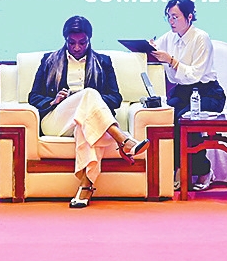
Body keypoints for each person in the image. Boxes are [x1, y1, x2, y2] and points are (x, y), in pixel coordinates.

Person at [28, 16, 148, 208]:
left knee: (88, 115)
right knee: (89, 95)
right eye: (72, 43)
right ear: (65, 40)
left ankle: (85, 187)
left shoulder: (103, 62)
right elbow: (33, 97)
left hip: (87, 121)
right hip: (57, 120)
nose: (77, 47)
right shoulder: (49, 60)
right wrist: (54, 100)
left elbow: (115, 98)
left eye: (82, 43)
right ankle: (122, 139)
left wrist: (91, 102)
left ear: (89, 40)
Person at [148, 0, 225, 191]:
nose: (171, 21)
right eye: (168, 17)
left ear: (189, 17)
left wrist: (171, 60)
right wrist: (149, 48)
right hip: (182, 91)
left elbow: (195, 74)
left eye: (175, 17)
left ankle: (203, 170)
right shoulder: (169, 37)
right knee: (167, 117)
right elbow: (156, 51)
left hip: (207, 92)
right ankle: (175, 168)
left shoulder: (201, 38)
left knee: (185, 120)